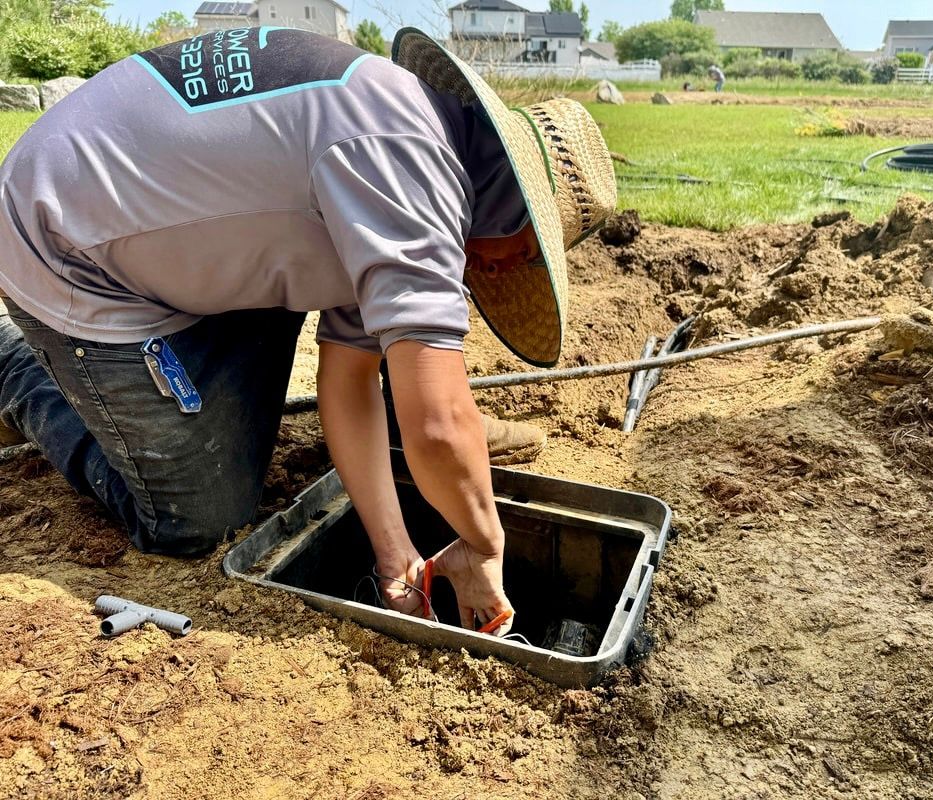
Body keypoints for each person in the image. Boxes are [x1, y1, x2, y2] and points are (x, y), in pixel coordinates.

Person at [0, 27, 616, 634]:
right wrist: (484, 544)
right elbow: (436, 425)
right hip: (63, 244)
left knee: (262, 429)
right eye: (532, 247)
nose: (510, 266)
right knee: (194, 518)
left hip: (180, 228)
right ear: (510, 195)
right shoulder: (409, 168)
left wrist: (393, 552)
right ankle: (16, 365)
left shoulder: (407, 156)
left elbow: (349, 384)